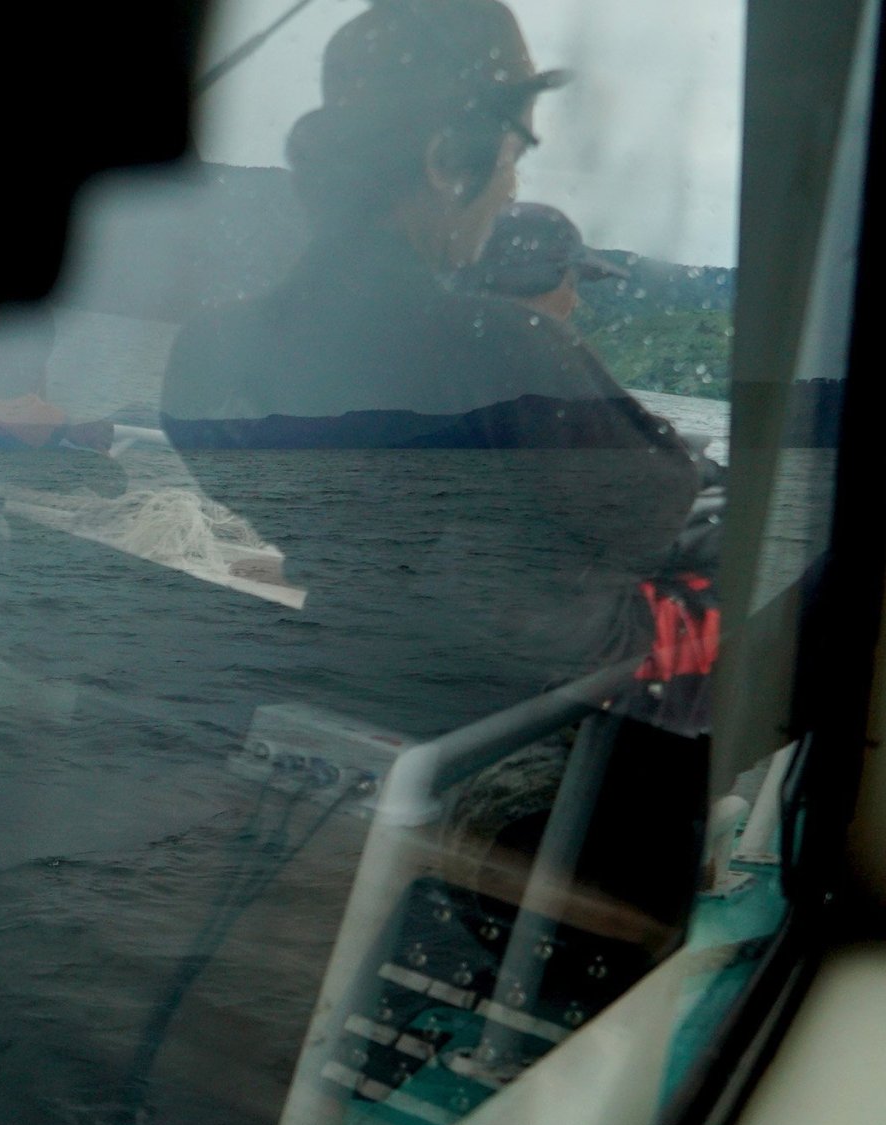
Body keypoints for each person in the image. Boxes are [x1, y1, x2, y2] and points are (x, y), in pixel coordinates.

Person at [157, 0, 704, 736]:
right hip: (502, 721)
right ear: (446, 161)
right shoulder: (501, 347)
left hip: (348, 667)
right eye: (511, 162)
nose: (509, 190)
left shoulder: (207, 351)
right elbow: (654, 506)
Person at [467, 201, 627, 323]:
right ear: (534, 281)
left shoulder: (456, 342)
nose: (575, 302)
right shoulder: (539, 361)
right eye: (571, 283)